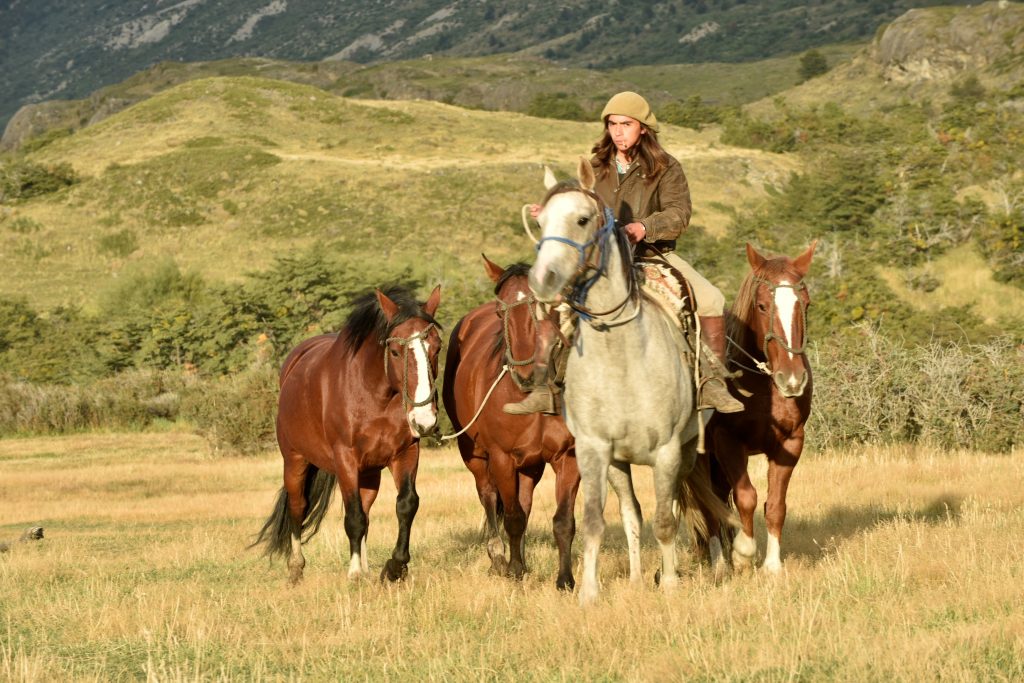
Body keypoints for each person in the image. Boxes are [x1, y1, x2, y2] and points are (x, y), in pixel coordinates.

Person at [504, 91, 744, 416]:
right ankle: (546, 386)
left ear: (643, 127)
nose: (618, 131)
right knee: (550, 301)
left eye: (626, 124)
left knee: (711, 298)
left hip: (652, 254)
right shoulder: (595, 168)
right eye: (613, 124)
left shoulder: (666, 167)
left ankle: (712, 383)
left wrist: (644, 227)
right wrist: (550, 210)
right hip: (601, 261)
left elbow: (679, 212)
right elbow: (579, 206)